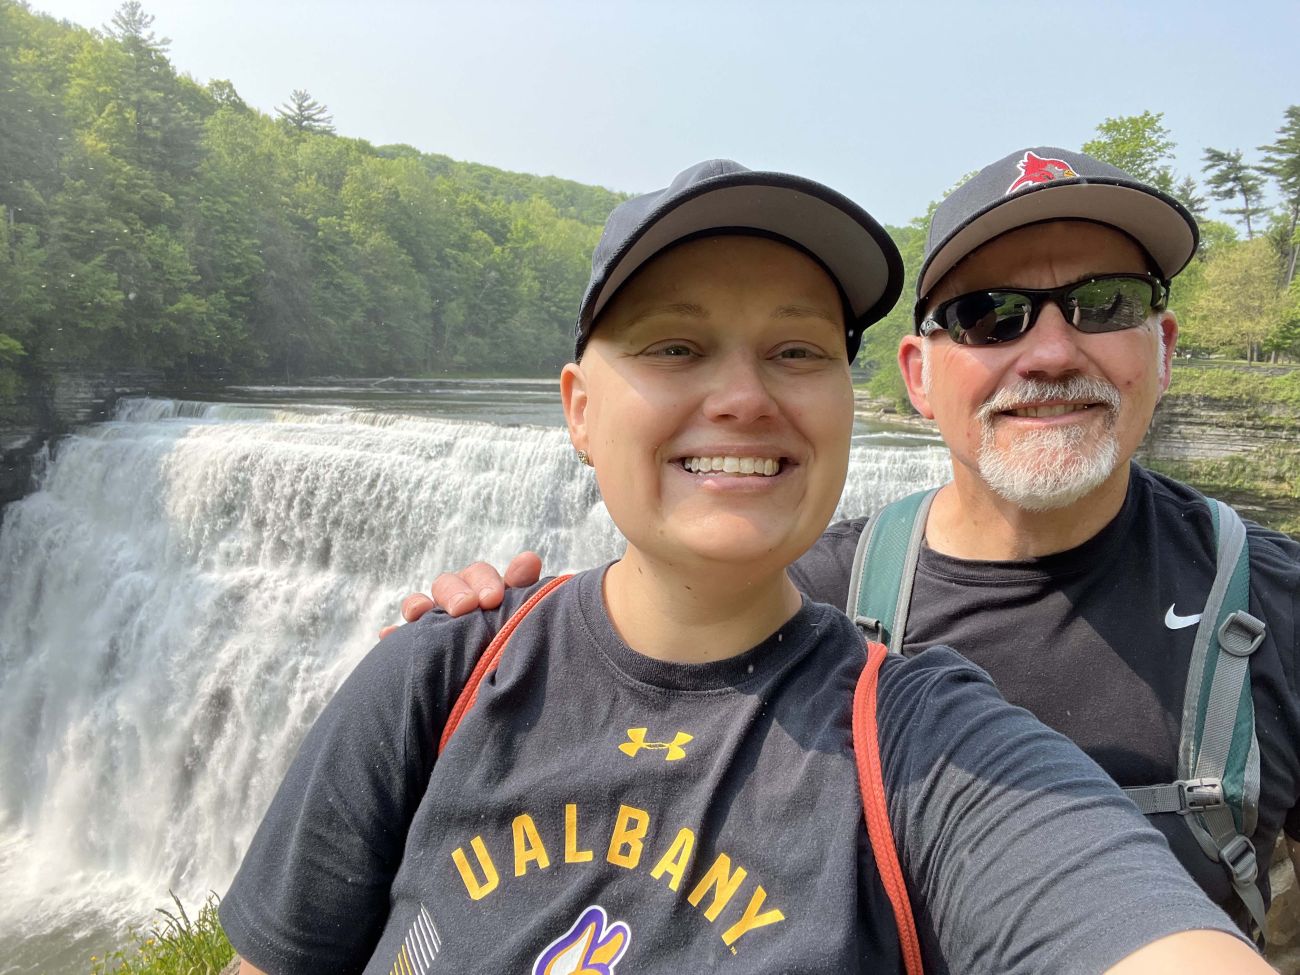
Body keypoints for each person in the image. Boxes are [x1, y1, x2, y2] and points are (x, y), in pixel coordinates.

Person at [223, 159, 1267, 974]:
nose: (742, 399)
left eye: (796, 351)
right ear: (578, 408)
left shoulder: (928, 738)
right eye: (674, 347)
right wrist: (493, 629)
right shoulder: (440, 678)